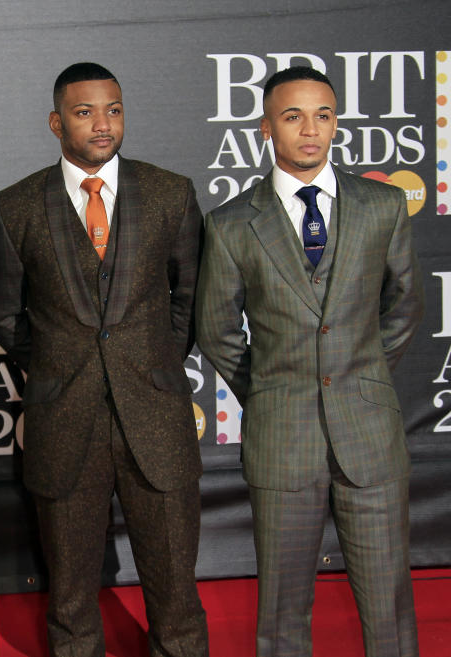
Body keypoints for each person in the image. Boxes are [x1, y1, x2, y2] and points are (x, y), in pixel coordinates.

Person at [196, 66, 423, 657]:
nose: (311, 129)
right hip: (282, 439)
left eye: (323, 114)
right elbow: (217, 331)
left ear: (337, 122)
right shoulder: (229, 225)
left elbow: (403, 307)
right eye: (293, 116)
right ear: (267, 127)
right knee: (281, 615)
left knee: (390, 610)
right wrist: (269, 392)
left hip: (369, 437)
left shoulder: (383, 205)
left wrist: (363, 379)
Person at [0, 62, 208, 657]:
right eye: (85, 112)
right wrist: (61, 365)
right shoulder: (14, 207)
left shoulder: (170, 193)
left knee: (177, 599)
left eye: (113, 109)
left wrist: (152, 364)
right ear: (56, 122)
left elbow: (188, 302)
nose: (102, 124)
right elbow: (5, 316)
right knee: (72, 601)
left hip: (156, 421)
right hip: (63, 422)